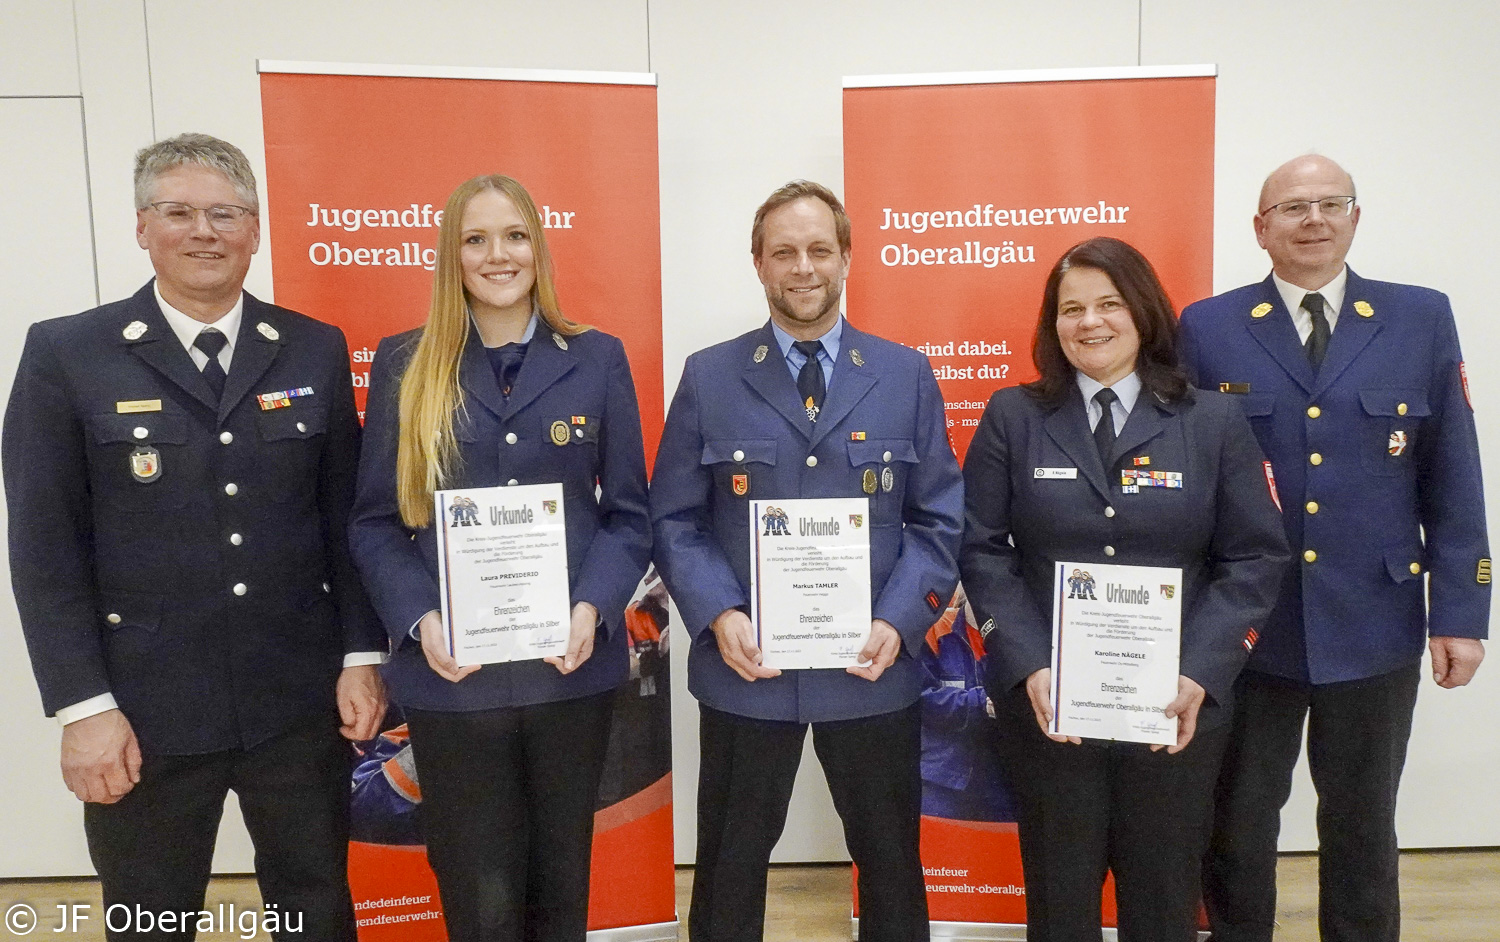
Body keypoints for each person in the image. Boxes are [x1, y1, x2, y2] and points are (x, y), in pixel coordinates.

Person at [3, 132, 384, 940]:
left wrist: (361, 654)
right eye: (178, 212)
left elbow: (342, 518)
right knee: (151, 918)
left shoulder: (311, 346)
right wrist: (83, 707)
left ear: (255, 230)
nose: (203, 231)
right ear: (143, 226)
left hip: (297, 701)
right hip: (145, 710)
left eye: (225, 213)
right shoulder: (67, 353)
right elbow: (44, 550)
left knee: (315, 909)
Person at [1180, 154, 1491, 942]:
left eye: (1331, 203)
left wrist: (1462, 613)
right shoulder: (1208, 327)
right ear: (1261, 229)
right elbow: (1187, 483)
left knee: (1362, 822)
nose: (1314, 219)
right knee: (1237, 821)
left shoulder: (1419, 317)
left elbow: (1452, 474)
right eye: (1293, 207)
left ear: (1356, 217)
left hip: (1374, 618)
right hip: (1249, 628)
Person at [650, 180, 963, 942]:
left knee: (891, 864)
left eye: (820, 249)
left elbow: (939, 517)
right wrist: (718, 614)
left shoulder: (904, 374)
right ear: (758, 263)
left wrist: (899, 621)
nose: (803, 268)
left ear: (846, 257)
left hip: (871, 668)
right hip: (748, 669)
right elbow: (675, 519)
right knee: (729, 867)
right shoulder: (709, 376)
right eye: (784, 252)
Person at [348, 174, 651, 942]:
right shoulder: (405, 362)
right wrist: (420, 621)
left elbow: (628, 516)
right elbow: (375, 523)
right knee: (477, 892)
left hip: (567, 672)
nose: (498, 255)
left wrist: (593, 606)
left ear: (537, 248)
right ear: (451, 255)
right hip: (454, 680)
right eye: (476, 239)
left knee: (560, 885)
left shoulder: (597, 357)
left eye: (514, 236)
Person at [960, 236, 1289, 942]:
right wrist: (1029, 662)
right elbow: (981, 549)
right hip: (1052, 710)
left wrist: (1200, 670)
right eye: (1071, 308)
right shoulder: (1012, 416)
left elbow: (1255, 557)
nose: (1090, 322)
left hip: (1174, 710)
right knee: (1060, 904)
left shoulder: (1211, 421)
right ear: (1053, 323)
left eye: (1108, 303)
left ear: (1142, 311)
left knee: (1165, 903)